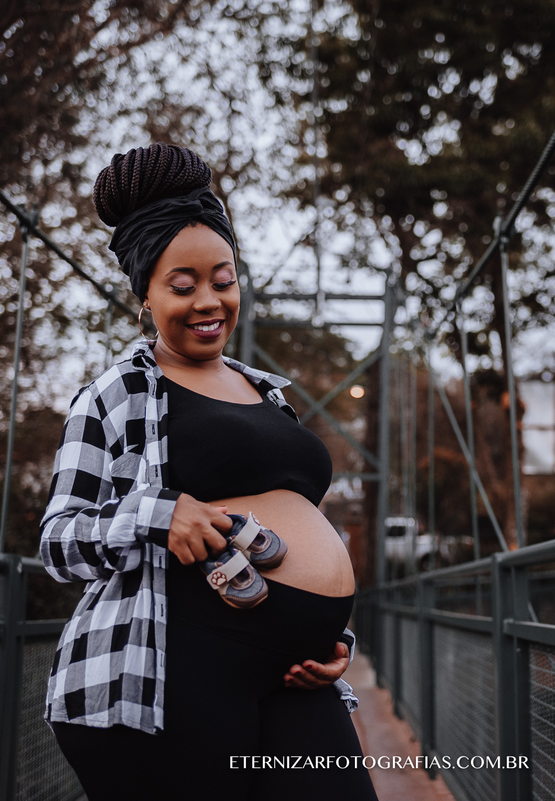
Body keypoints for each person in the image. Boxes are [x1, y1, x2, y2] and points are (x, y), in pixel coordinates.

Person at [39, 143, 378, 800]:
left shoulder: (268, 393)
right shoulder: (116, 393)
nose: (209, 301)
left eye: (222, 279)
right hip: (172, 672)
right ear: (145, 295)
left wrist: (331, 638)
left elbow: (298, 528)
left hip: (292, 673)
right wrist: (160, 512)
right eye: (182, 284)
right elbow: (58, 540)